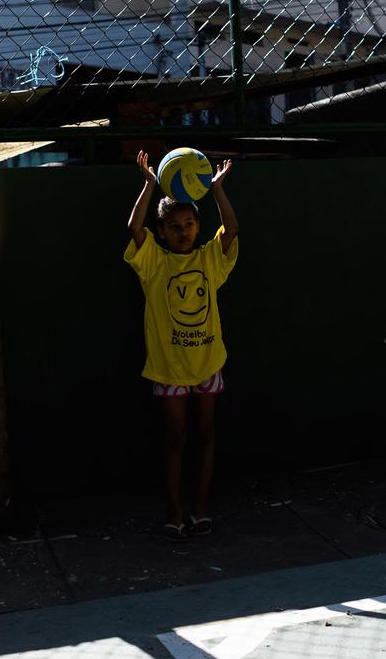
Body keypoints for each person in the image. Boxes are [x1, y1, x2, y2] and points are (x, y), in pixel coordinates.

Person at [124, 150, 238, 542]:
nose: (183, 231)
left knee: (206, 434)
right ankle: (174, 511)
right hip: (169, 369)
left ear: (197, 227)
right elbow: (133, 226)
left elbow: (232, 231)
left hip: (208, 365)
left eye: (189, 224)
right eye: (174, 226)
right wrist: (149, 184)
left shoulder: (209, 259)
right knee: (175, 439)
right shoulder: (153, 262)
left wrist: (218, 190)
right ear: (163, 233)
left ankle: (200, 507)